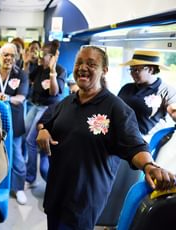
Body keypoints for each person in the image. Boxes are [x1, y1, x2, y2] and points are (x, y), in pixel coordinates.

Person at [35, 46, 176, 230]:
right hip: (56, 191)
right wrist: (43, 130)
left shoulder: (116, 108)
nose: (83, 67)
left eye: (91, 64)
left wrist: (149, 165)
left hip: (83, 197)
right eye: (79, 63)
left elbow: (134, 145)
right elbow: (46, 121)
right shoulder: (67, 101)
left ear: (104, 71)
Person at [0, 43, 29, 205]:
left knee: (17, 155)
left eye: (12, 55)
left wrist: (7, 98)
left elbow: (21, 98)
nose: (9, 58)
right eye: (5, 55)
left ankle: (18, 188)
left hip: (14, 120)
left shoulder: (21, 75)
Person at [24, 40, 67, 187]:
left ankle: (30, 177)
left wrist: (52, 70)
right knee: (24, 132)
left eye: (44, 54)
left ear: (52, 57)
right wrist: (26, 63)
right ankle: (33, 169)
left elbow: (54, 92)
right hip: (35, 105)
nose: (40, 56)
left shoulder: (60, 71)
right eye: (40, 53)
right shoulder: (39, 68)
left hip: (47, 110)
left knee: (30, 141)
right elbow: (26, 79)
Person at [118, 50, 176, 142]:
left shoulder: (166, 91)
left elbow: (173, 110)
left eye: (136, 70)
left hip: (147, 141)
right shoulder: (126, 88)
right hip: (121, 138)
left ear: (150, 69)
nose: (132, 73)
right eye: (131, 69)